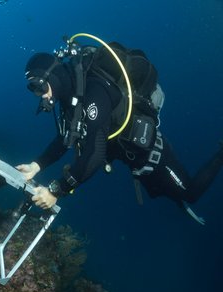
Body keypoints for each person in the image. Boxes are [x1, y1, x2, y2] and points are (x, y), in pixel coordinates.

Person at [17, 51, 223, 224]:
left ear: (52, 77)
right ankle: (176, 198)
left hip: (154, 156)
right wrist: (37, 165)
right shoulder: (71, 99)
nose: (39, 94)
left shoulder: (94, 93)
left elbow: (95, 155)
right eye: (33, 89)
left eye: (39, 86)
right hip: (134, 162)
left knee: (190, 193)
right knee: (159, 191)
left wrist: (56, 190)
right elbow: (65, 137)